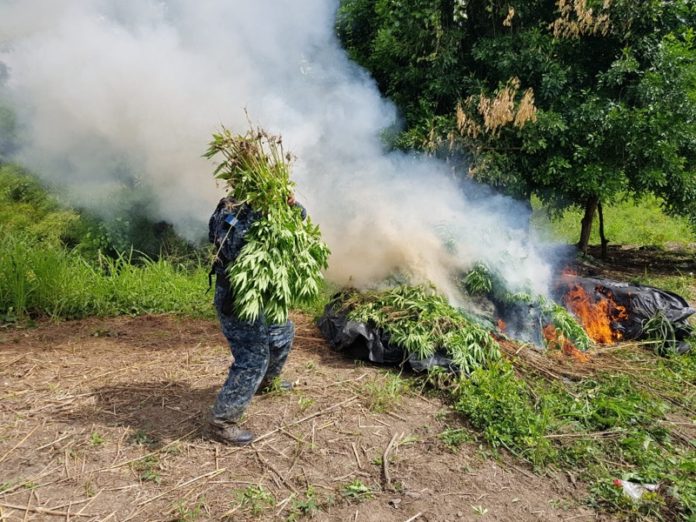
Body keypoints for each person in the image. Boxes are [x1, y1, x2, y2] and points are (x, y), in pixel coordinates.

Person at [206, 195, 305, 445]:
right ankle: (223, 421)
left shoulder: (274, 205)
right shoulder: (230, 211)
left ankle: (266, 382)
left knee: (282, 332)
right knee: (253, 357)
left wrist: (291, 207)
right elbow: (230, 248)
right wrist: (261, 218)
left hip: (265, 291)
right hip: (237, 296)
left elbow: (301, 221)